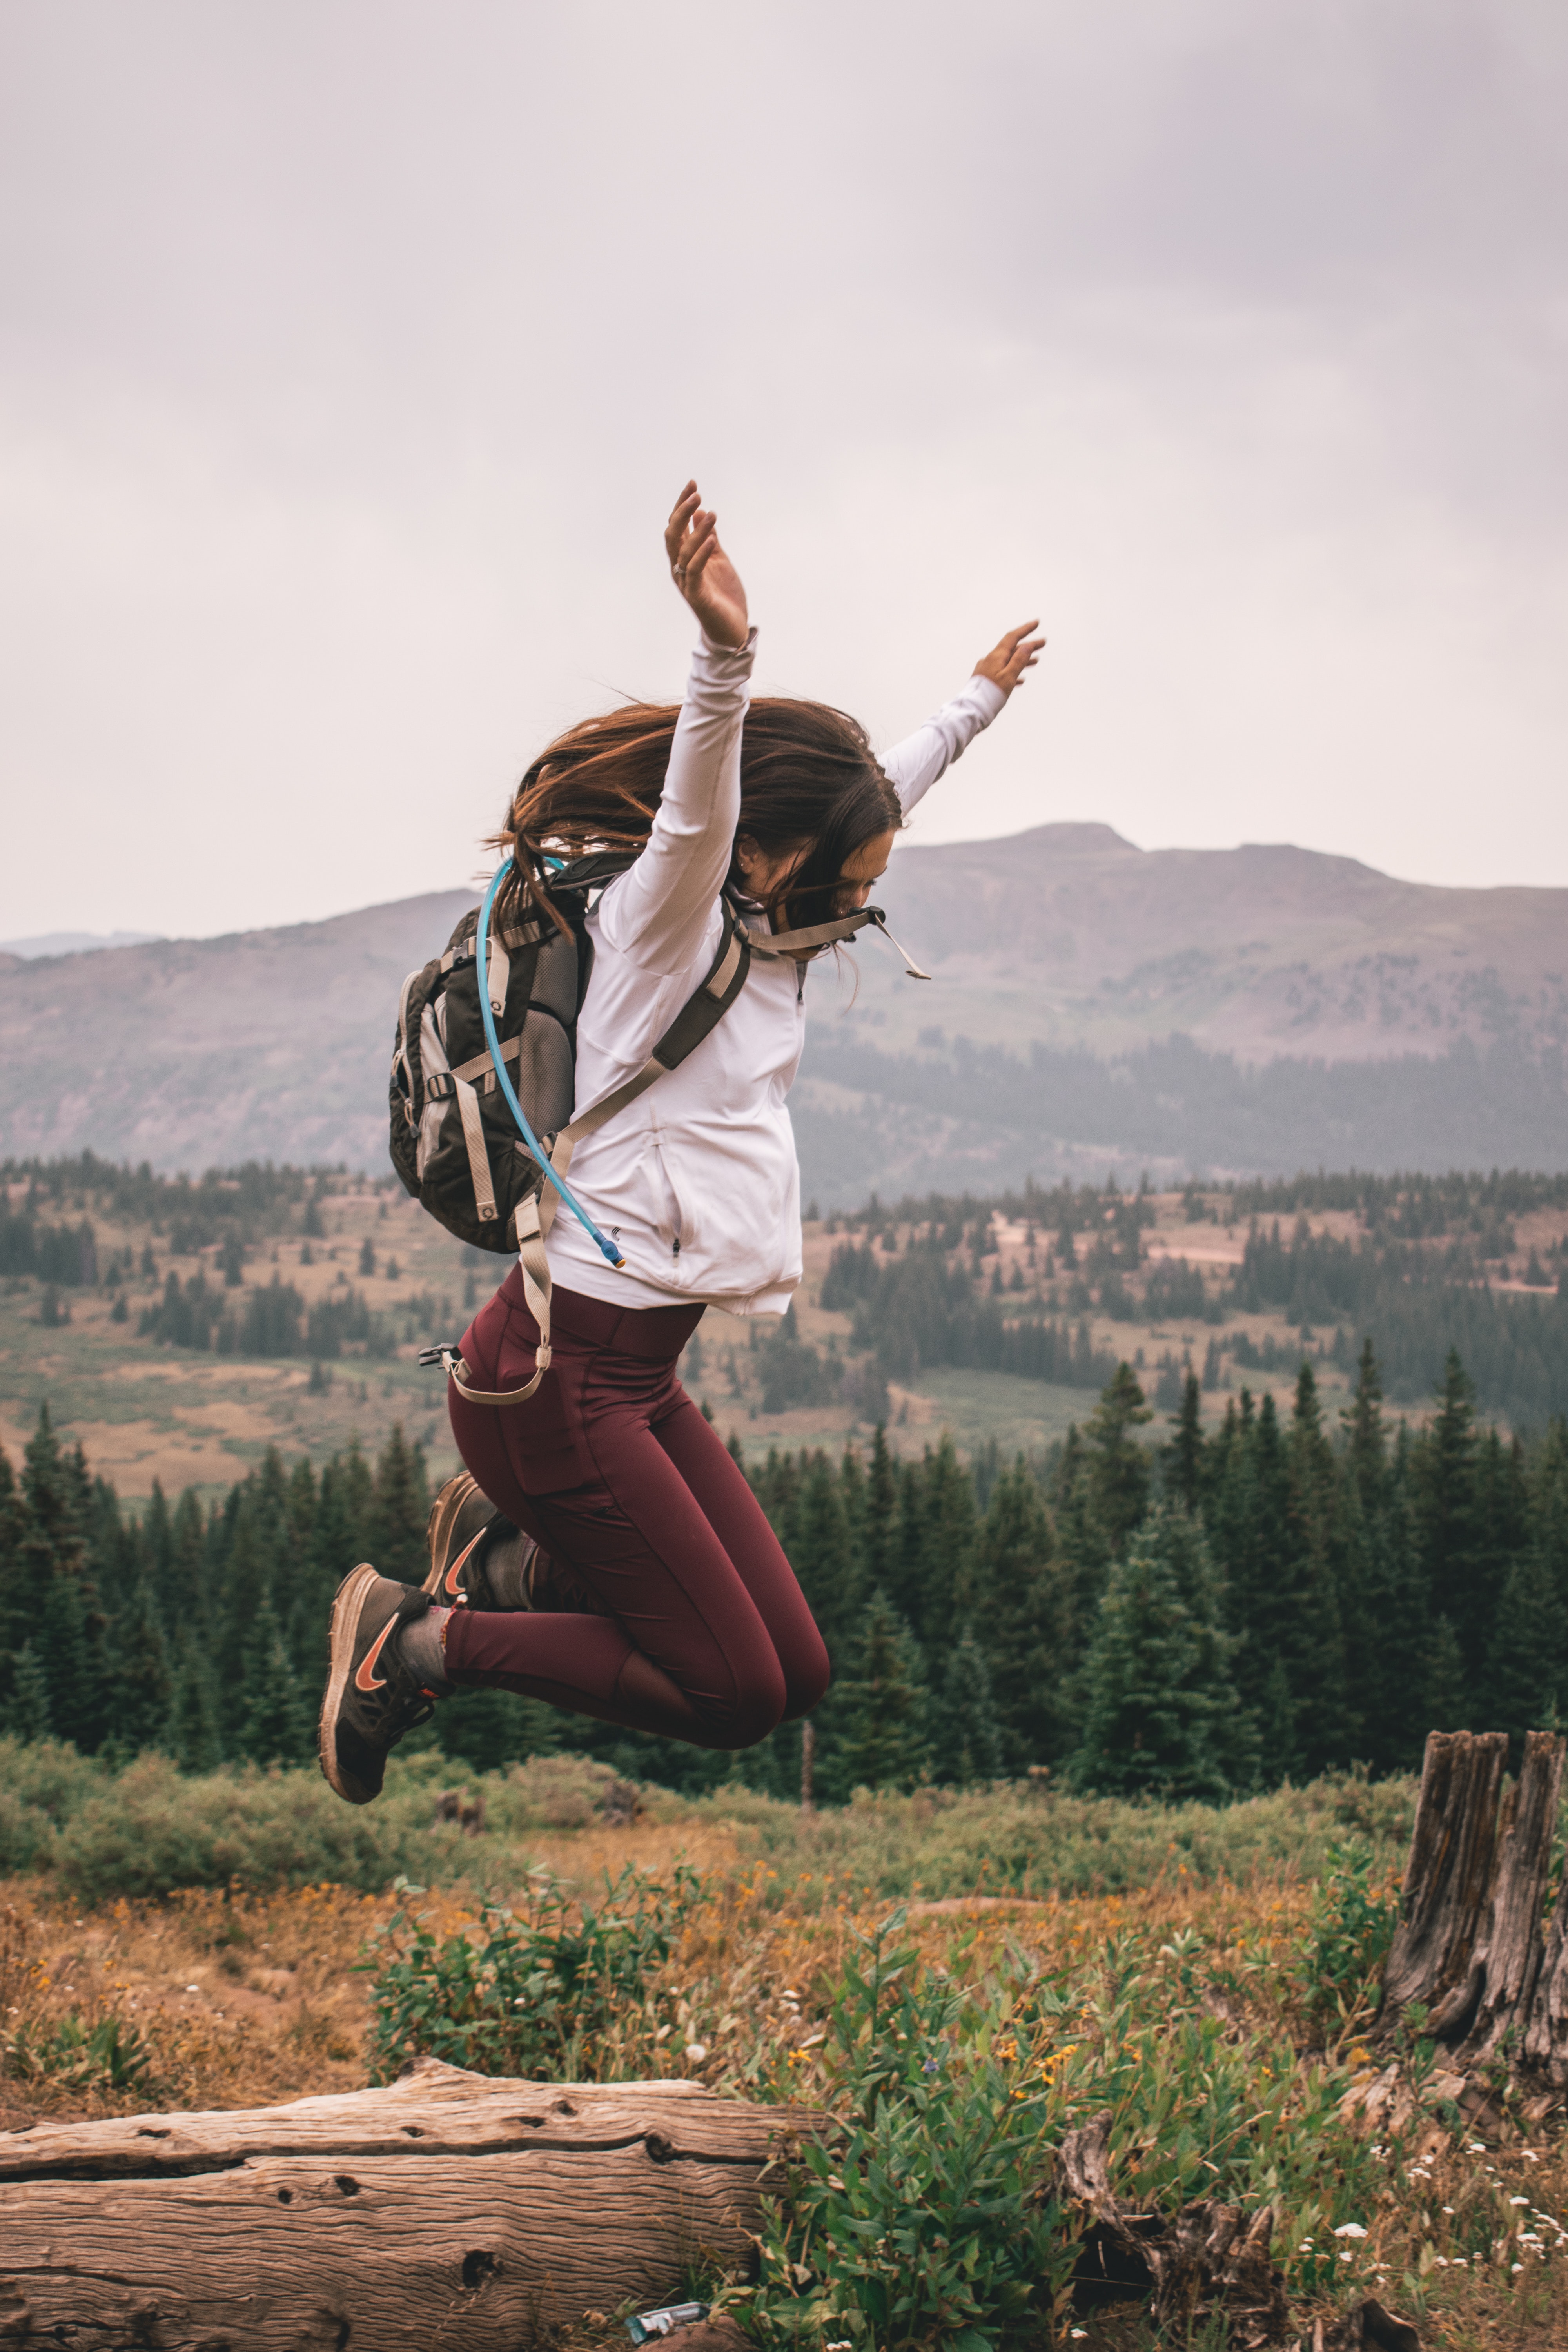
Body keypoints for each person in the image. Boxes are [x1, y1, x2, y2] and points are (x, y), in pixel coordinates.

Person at [319, 481, 1043, 1804]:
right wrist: (724, 656)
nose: (870, 906)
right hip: (557, 1378)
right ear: (766, 862)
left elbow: (886, 792)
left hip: (634, 1381)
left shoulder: (784, 934)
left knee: (799, 1675)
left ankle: (511, 1562)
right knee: (732, 1693)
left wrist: (977, 703)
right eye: (858, 882)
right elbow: (705, 808)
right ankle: (414, 1642)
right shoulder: (673, 929)